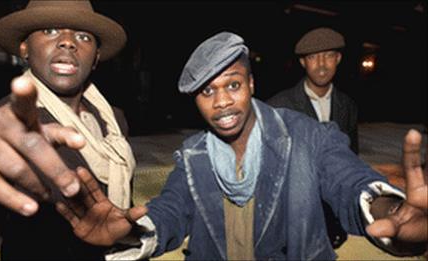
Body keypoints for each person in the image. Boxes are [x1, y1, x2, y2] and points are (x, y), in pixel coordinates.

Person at [55, 32, 427, 260]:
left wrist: (389, 208)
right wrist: (130, 233)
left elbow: (349, 182)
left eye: (232, 85)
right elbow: (171, 210)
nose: (221, 103)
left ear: (251, 84)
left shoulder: (311, 136)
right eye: (207, 91)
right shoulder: (194, 155)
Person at [0, 0, 136, 259]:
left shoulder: (113, 120)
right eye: (50, 31)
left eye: (83, 36)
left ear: (96, 57)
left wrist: (124, 232)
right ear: (24, 48)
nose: (68, 42)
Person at [267, 27, 359, 154]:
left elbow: (352, 156)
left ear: (338, 59)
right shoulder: (278, 107)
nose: (321, 64)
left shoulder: (348, 106)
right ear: (303, 62)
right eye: (312, 57)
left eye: (329, 55)